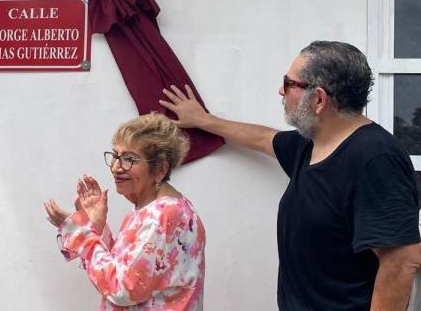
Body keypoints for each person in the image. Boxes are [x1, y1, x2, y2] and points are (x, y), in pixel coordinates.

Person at [159, 40, 421, 310]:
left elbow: (401, 262)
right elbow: (263, 139)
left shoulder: (375, 158)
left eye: (289, 84)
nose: (281, 91)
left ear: (319, 99)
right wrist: (202, 120)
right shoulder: (311, 144)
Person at [44, 113, 206, 311]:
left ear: (161, 169)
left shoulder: (164, 216)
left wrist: (81, 232)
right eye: (115, 156)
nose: (115, 167)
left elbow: (122, 289)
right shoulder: (149, 210)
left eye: (129, 159)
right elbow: (126, 270)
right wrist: (97, 226)